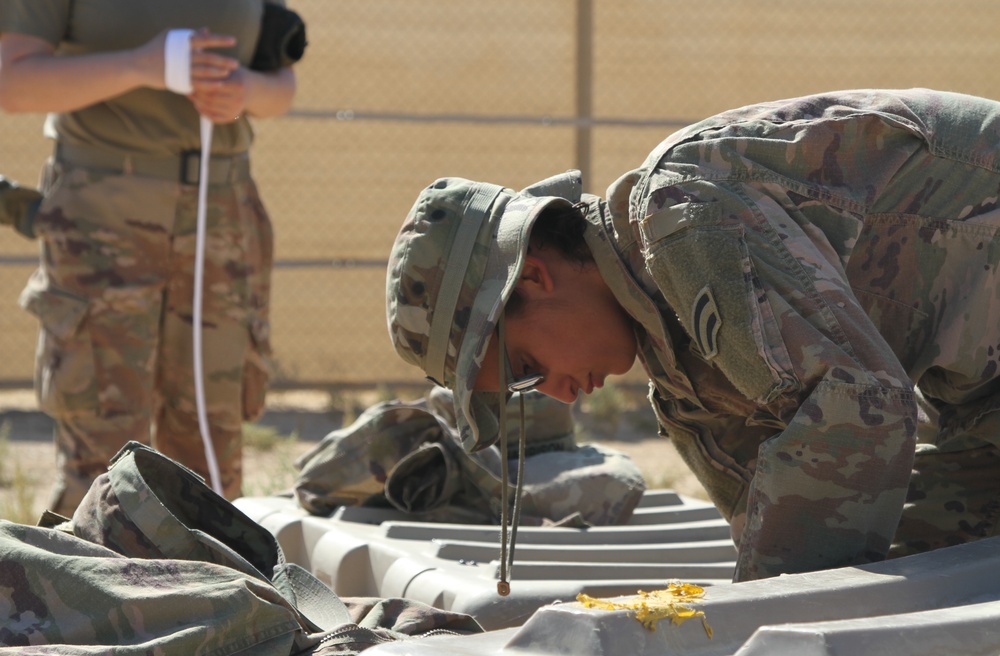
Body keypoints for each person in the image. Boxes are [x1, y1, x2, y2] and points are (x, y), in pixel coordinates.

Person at [385, 88, 1000, 582]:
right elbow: (768, 540)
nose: (562, 397)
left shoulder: (683, 222)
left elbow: (859, 408)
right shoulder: (680, 374)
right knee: (927, 566)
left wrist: (774, 621)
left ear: (537, 277)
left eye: (524, 367)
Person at [0, 0, 300, 516]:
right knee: (103, 453)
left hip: (222, 211)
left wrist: (244, 92)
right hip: (103, 212)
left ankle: (213, 593)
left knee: (211, 446)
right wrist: (143, 65)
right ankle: (86, 590)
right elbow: (13, 82)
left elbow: (280, 84)